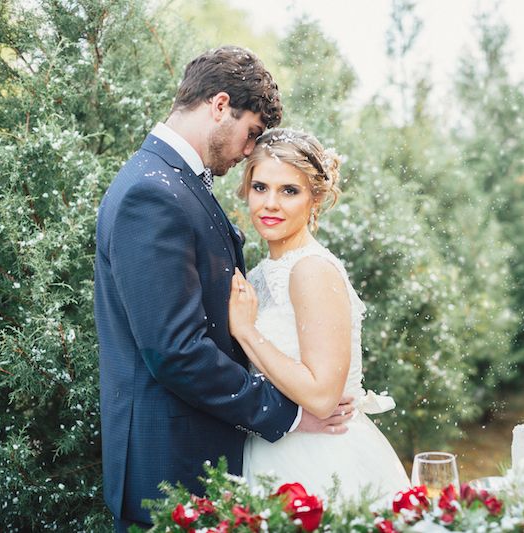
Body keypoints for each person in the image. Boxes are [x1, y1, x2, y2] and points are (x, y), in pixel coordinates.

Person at [94, 47, 352, 532]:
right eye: (251, 133)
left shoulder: (174, 184)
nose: (249, 152)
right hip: (169, 470)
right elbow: (176, 351)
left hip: (206, 460)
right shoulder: (153, 193)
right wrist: (289, 416)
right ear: (218, 105)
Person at [228, 128, 410, 500]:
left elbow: (323, 396)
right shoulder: (263, 273)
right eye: (260, 187)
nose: (270, 203)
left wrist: (247, 333)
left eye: (289, 191)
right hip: (274, 450)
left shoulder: (311, 269)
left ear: (316, 198)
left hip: (320, 460)